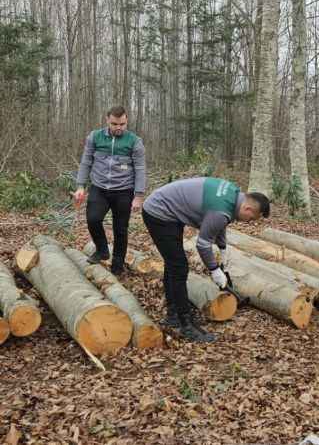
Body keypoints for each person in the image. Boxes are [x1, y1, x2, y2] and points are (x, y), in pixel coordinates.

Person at [142, 177, 270, 342]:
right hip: (159, 212)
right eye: (252, 219)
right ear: (247, 208)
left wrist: (222, 249)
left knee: (174, 263)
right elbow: (203, 244)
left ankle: (173, 314)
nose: (249, 222)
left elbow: (221, 223)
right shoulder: (221, 210)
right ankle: (184, 324)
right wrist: (215, 270)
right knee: (179, 267)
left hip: (169, 209)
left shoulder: (234, 194)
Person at [74, 106, 146, 275]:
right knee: (93, 219)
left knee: (120, 229)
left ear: (126, 120)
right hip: (99, 188)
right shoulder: (95, 137)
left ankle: (118, 265)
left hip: (123, 191)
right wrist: (80, 186)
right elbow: (86, 162)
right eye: (114, 124)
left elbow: (140, 169)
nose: (118, 128)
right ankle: (102, 250)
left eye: (122, 124)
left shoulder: (134, 142)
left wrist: (139, 196)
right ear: (107, 120)